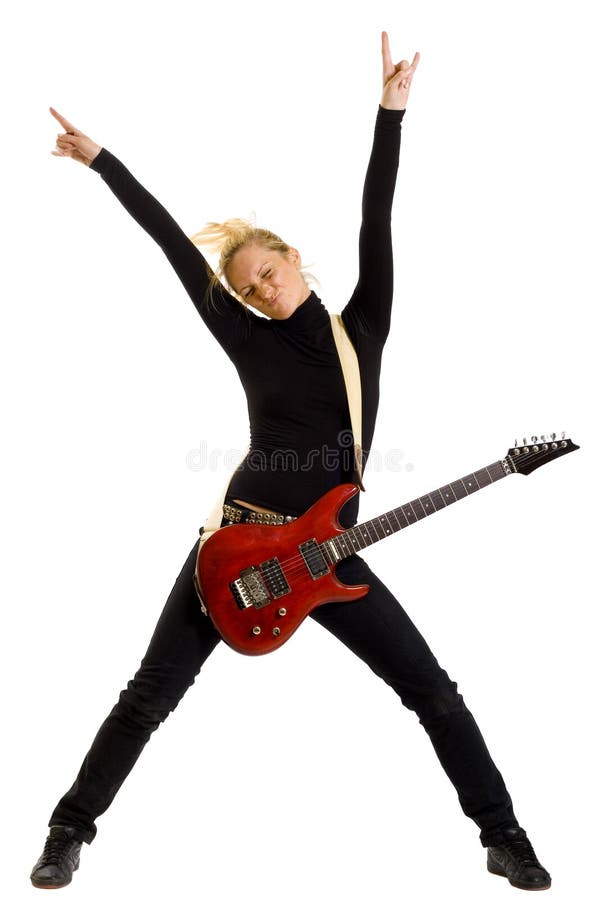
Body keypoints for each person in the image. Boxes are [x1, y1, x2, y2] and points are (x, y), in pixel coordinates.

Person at [31, 32, 551, 892]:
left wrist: (390, 115)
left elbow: (375, 216)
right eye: (249, 286)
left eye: (269, 272)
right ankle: (68, 830)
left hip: (325, 554)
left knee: (434, 692)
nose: (263, 290)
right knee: (149, 695)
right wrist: (103, 162)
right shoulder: (246, 340)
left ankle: (505, 838)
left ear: (293, 260)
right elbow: (172, 245)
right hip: (236, 546)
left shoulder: (362, 332)